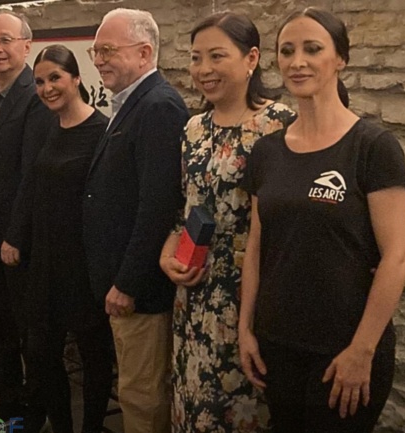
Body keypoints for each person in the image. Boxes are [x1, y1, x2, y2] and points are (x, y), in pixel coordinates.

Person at [239, 8, 405, 433]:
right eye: (287, 51)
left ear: (340, 59)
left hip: (344, 350)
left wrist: (362, 350)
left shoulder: (373, 147)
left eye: (312, 49)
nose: (297, 62)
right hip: (277, 344)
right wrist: (245, 328)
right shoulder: (266, 152)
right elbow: (257, 248)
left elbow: (397, 256)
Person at [158, 12, 296, 432]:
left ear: (251, 58)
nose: (204, 69)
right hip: (195, 294)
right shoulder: (193, 129)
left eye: (217, 56)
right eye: (196, 58)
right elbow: (185, 208)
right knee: (194, 408)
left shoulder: (280, 124)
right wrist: (168, 253)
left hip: (251, 293)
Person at [82, 8, 189, 433]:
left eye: (108, 50)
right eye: (95, 51)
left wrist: (128, 283)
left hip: (141, 291)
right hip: (121, 280)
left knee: (142, 397)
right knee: (134, 391)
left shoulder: (158, 107)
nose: (99, 60)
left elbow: (157, 205)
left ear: (145, 53)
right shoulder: (135, 102)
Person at [21, 45, 113, 433]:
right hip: (45, 261)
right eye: (40, 81)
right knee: (41, 353)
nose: (47, 88)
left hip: (84, 264)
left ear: (76, 79)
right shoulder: (47, 127)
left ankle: (92, 427)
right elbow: (32, 188)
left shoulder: (103, 131)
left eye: (55, 78)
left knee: (94, 356)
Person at [0, 10, 54, 427]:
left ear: (26, 46)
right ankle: (6, 402)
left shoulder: (35, 95)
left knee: (28, 328)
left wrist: (16, 235)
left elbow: (32, 173)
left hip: (18, 239)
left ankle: (34, 409)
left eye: (6, 40)